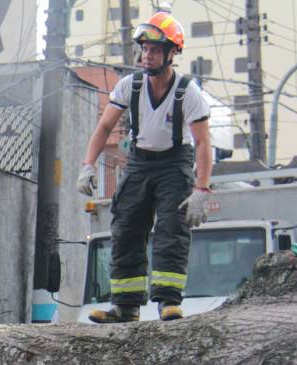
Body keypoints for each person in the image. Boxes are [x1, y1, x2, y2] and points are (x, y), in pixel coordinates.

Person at [76, 11, 212, 323]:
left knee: (171, 230)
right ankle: (125, 307)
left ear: (171, 53)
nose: (146, 56)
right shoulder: (130, 86)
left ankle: (168, 302)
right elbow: (104, 126)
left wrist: (201, 189)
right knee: (125, 229)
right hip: (139, 162)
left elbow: (203, 143)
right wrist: (87, 165)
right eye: (144, 49)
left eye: (154, 50)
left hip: (175, 162)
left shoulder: (187, 92)